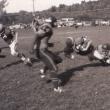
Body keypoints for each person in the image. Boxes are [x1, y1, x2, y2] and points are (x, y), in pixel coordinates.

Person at [30, 20, 63, 93]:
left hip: (43, 50)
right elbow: (37, 35)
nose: (57, 23)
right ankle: (56, 88)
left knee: (58, 59)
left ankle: (43, 71)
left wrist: (50, 44)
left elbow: (42, 39)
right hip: (41, 51)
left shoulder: (47, 27)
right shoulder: (48, 26)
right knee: (54, 68)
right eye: (55, 21)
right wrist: (31, 48)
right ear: (52, 22)